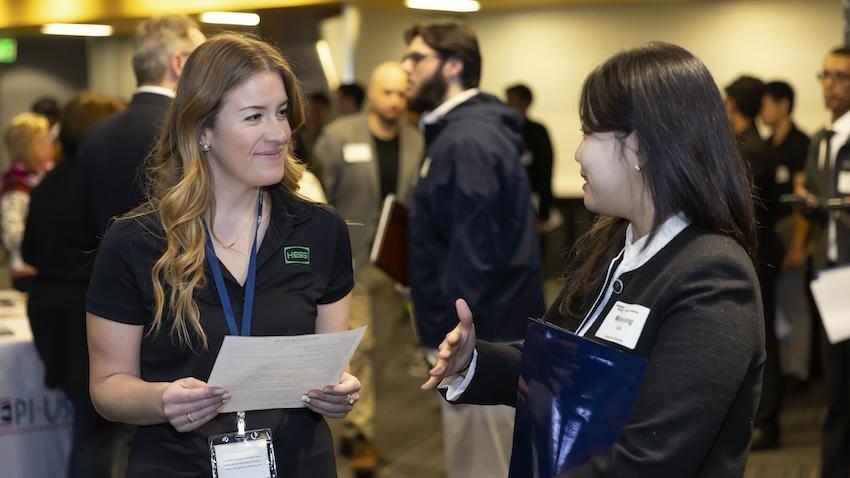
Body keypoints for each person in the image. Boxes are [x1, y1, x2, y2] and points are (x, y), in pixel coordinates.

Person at [423, 42, 764, 477]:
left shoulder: (713, 277)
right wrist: (475, 362)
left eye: (589, 132)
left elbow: (652, 461)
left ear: (639, 144)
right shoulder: (611, 248)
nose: (579, 153)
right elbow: (568, 371)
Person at [85, 33, 360, 478]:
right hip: (177, 466)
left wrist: (340, 392)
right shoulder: (135, 241)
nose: (279, 134)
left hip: (298, 464)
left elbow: (334, 367)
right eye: (254, 117)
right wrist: (162, 400)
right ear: (203, 130)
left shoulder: (320, 231)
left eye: (282, 113)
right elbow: (107, 387)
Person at [401, 20, 545, 478]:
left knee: (484, 463)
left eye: (417, 58)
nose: (406, 68)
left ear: (454, 66)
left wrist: (453, 341)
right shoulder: (456, 134)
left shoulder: (468, 140)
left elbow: (476, 252)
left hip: (483, 337)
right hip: (481, 334)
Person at [314, 61, 423, 476]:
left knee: (389, 351)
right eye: (387, 93)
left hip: (393, 264)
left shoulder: (416, 141)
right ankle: (359, 433)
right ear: (372, 93)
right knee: (361, 347)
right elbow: (320, 200)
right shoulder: (339, 136)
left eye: (401, 95)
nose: (395, 102)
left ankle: (357, 425)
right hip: (350, 262)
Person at [22, 92, 126, 478]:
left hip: (50, 307)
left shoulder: (49, 181)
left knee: (91, 427)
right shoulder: (99, 181)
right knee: (98, 434)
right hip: (83, 313)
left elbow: (29, 249)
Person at [79, 15, 205, 238]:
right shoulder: (186, 128)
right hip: (173, 266)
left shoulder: (94, 133)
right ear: (179, 64)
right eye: (203, 63)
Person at [797, 46, 850, 478]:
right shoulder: (820, 140)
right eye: (825, 75)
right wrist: (810, 203)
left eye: (841, 76)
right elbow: (816, 201)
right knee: (836, 384)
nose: (829, 85)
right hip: (830, 274)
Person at [724, 75, 783, 450]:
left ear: (732, 104)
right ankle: (763, 418)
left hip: (752, 251)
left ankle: (765, 420)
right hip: (760, 249)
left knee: (759, 337)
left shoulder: (744, 151)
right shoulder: (758, 148)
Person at [759, 81, 813, 393]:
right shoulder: (767, 145)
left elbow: (802, 199)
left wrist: (798, 244)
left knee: (794, 302)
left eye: (767, 103)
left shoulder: (800, 143)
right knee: (776, 304)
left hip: (793, 229)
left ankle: (798, 372)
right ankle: (782, 371)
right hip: (773, 233)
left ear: (783, 105)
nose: (763, 110)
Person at [1, 112, 55, 291]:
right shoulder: (17, 187)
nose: (50, 145)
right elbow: (13, 234)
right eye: (42, 140)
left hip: (49, 267)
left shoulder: (47, 177)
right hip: (28, 270)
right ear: (26, 147)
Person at [505, 83, 555, 241]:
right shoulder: (502, 131)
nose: (508, 105)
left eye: (512, 100)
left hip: (531, 207)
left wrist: (544, 215)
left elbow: (546, 171)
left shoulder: (538, 131)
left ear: (525, 102)